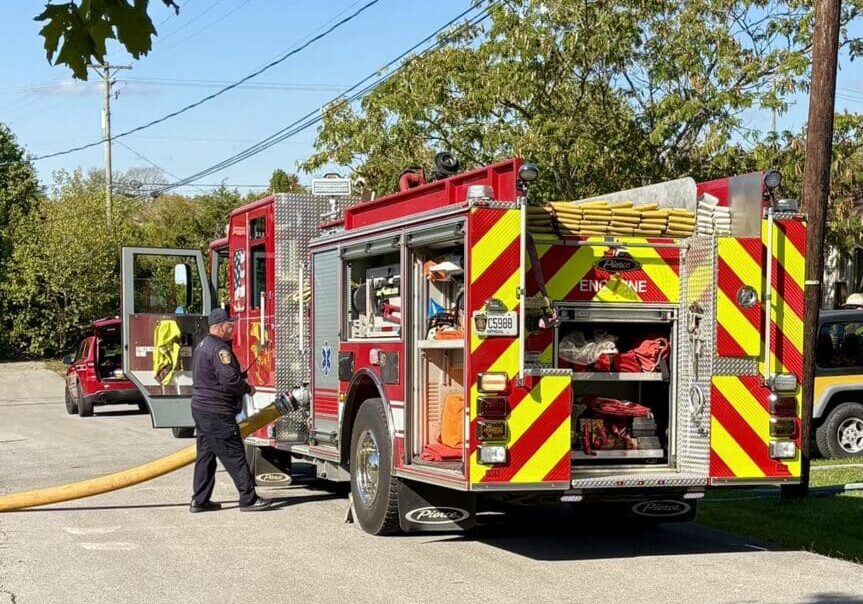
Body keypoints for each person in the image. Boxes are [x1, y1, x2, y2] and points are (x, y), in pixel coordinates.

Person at [189, 308, 272, 512]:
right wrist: (247, 388)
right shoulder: (220, 349)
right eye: (229, 325)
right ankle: (248, 499)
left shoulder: (202, 345)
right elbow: (229, 380)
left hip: (201, 408)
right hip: (217, 411)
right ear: (219, 328)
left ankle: (199, 500)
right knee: (235, 455)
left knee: (206, 456)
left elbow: (213, 376)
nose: (232, 328)